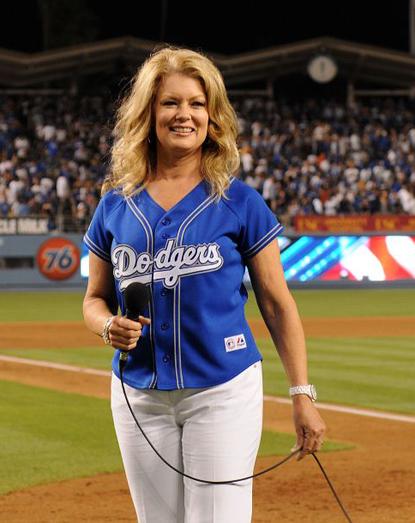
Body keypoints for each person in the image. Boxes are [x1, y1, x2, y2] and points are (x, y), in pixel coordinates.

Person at [82, 46, 326, 523]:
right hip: (138, 393)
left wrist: (302, 393)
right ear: (148, 112)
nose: (184, 114)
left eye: (197, 103)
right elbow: (94, 298)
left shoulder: (239, 201)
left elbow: (277, 305)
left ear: (211, 116)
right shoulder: (114, 206)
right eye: (170, 102)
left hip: (222, 389)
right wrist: (106, 325)